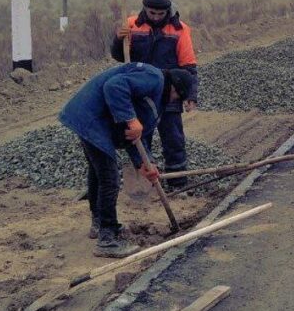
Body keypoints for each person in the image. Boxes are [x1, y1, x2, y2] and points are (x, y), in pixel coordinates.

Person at [59, 63, 194, 257]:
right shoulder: (155, 79)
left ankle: (99, 223)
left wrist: (144, 163)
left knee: (98, 173)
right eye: (177, 98)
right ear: (175, 88)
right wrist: (131, 118)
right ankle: (107, 239)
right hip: (91, 117)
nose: (175, 102)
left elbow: (134, 136)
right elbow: (114, 86)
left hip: (89, 116)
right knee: (109, 178)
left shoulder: (156, 98)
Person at [111, 0, 198, 189]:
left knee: (174, 139)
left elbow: (189, 66)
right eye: (152, 13)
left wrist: (190, 95)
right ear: (145, 9)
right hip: (140, 94)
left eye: (161, 14)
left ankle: (178, 183)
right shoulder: (131, 24)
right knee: (140, 140)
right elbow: (120, 56)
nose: (157, 17)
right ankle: (144, 185)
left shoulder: (180, 29)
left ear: (167, 11)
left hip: (170, 93)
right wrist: (118, 39)